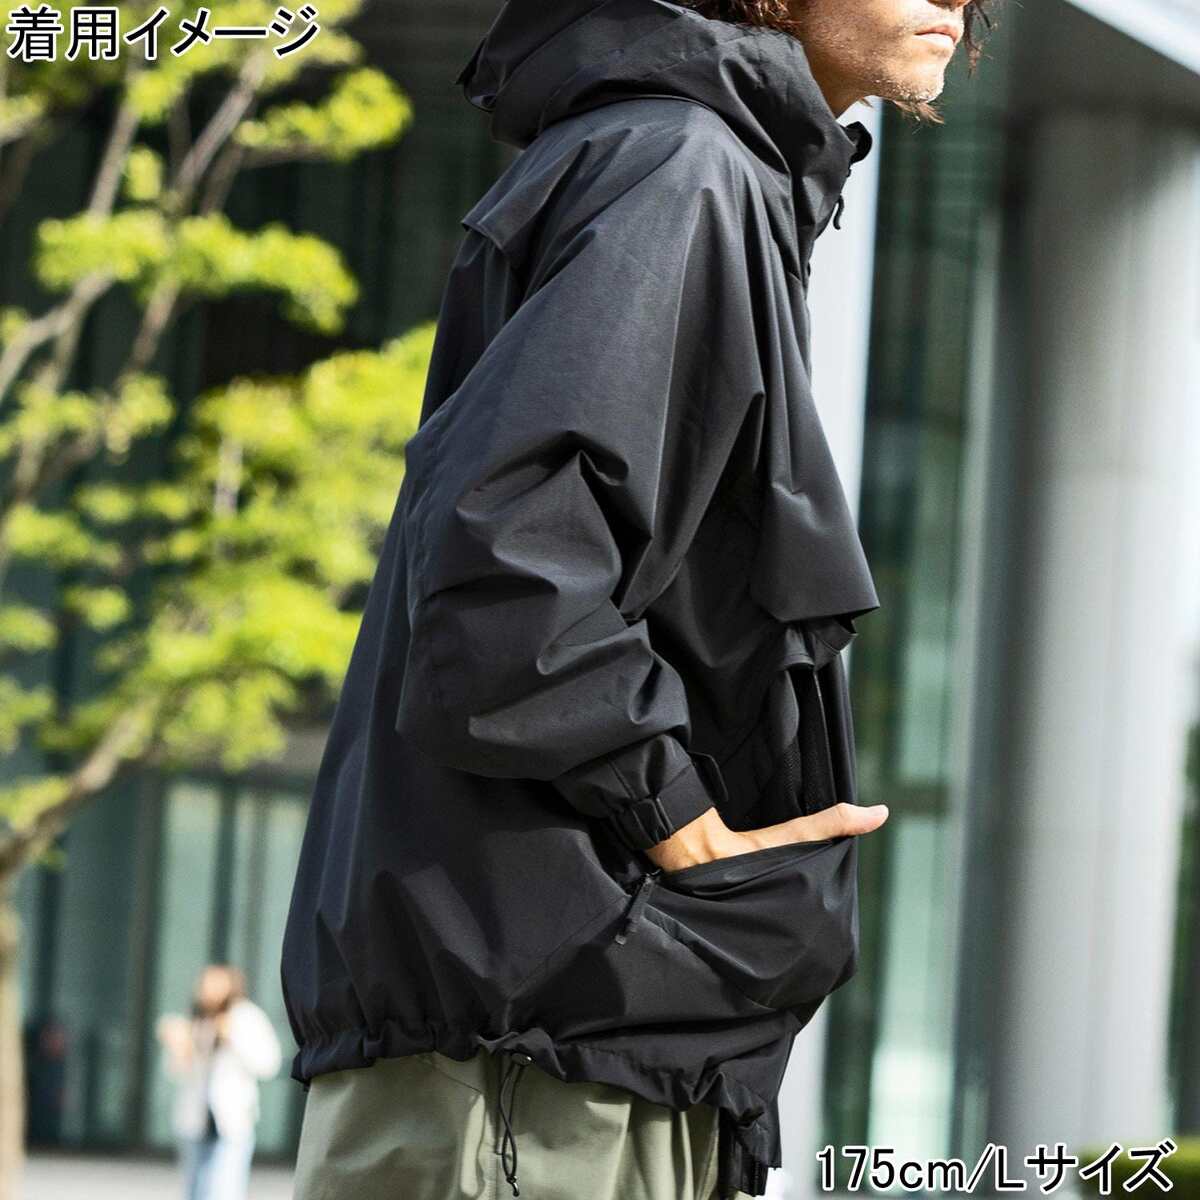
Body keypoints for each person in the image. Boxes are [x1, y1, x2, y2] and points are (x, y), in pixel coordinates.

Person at [282, 1, 992, 1197]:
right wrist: (679, 822)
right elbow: (512, 555)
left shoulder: (714, 171)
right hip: (538, 1036)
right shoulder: (680, 166)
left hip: (580, 1018)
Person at [157, 963, 283, 1200]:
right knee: (195, 1191)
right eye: (205, 984)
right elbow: (174, 1072)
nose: (208, 990)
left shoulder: (246, 1017)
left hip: (231, 1121)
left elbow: (269, 1064)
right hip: (194, 1121)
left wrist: (232, 1037)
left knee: (225, 1189)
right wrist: (179, 1047)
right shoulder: (195, 1019)